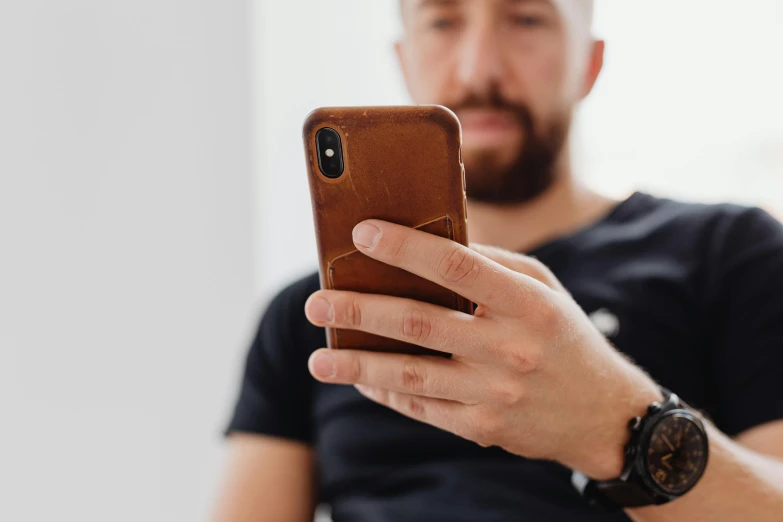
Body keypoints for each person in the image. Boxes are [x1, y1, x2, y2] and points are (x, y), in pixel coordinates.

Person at [212, 1, 783, 520]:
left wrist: (613, 423)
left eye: (527, 19)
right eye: (442, 22)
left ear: (590, 62)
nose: (478, 70)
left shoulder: (731, 253)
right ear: (404, 60)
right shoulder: (313, 311)